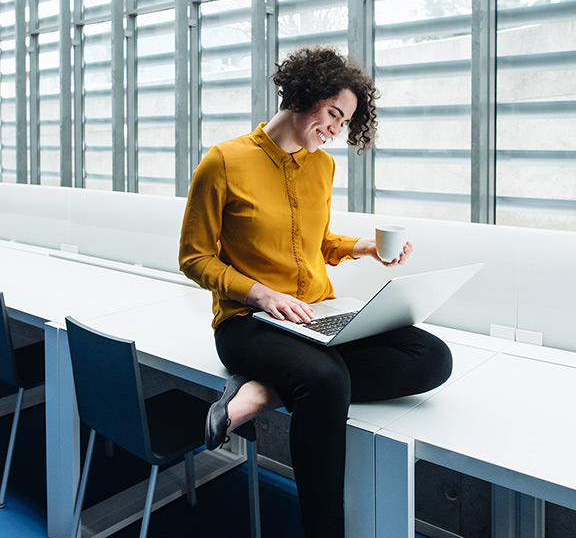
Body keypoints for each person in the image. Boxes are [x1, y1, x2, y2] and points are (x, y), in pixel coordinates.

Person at [179, 46, 452, 538]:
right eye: (332, 113)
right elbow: (194, 258)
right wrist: (259, 293)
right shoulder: (223, 161)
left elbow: (316, 242)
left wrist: (363, 247)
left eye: (344, 121)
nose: (334, 128)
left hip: (315, 312)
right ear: (305, 93)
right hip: (246, 322)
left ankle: (262, 392)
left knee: (432, 356)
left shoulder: (322, 168)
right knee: (325, 382)